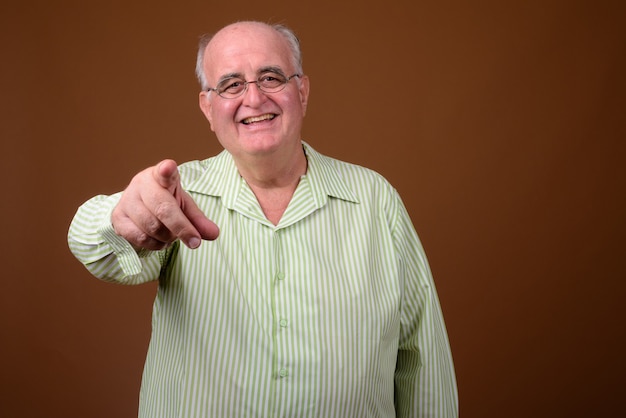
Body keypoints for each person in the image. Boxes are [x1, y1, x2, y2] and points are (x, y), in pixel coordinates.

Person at [68, 21, 458, 417]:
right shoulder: (176, 198)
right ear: (208, 107)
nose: (253, 98)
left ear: (301, 92)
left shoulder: (375, 200)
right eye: (232, 85)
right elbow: (94, 250)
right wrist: (121, 216)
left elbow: (422, 357)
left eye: (271, 77)